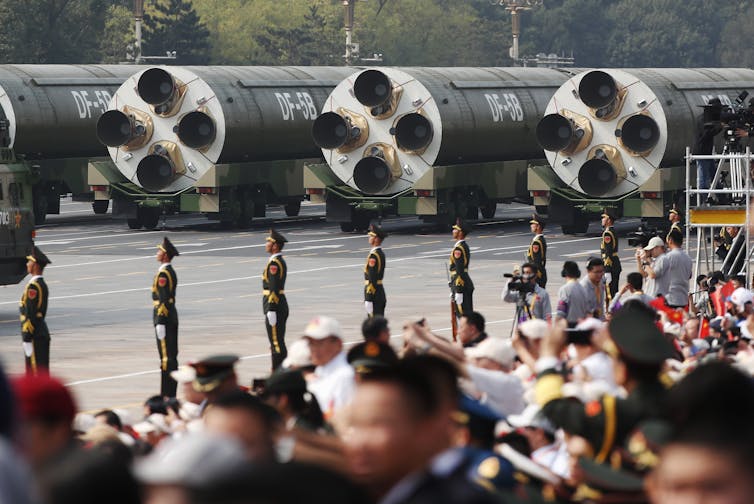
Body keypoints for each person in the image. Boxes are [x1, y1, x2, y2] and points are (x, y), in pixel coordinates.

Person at [535, 306, 675, 464]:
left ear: (623, 372)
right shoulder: (673, 394)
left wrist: (548, 357)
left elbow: (554, 408)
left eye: (613, 360)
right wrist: (611, 348)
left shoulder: (617, 411)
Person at [302, 316, 355, 419]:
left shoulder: (345, 377)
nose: (313, 348)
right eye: (310, 343)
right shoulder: (321, 370)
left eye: (320, 343)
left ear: (338, 344)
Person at [152, 237, 180, 398]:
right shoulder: (167, 271)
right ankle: (169, 393)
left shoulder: (164, 273)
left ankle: (167, 394)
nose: (157, 253)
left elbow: (163, 298)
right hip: (169, 317)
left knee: (166, 358)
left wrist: (160, 321)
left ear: (165, 255)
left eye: (159, 251)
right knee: (169, 356)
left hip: (165, 318)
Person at [20, 246, 52, 375]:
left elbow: (31, 313)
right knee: (40, 371)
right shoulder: (40, 284)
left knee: (35, 372)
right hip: (40, 334)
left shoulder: (33, 286)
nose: (27, 264)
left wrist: (27, 336)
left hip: (35, 335)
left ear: (35, 265)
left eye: (29, 261)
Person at [644, 230, 692, 309]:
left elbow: (655, 273)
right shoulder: (688, 258)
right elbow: (689, 275)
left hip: (670, 298)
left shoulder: (668, 257)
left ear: (670, 240)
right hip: (683, 298)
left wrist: (647, 261)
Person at [263, 229, 288, 370]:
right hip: (277, 306)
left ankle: (279, 371)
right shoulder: (275, 261)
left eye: (268, 242)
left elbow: (274, 287)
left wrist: (271, 308)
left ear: (275, 246)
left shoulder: (275, 264)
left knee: (276, 343)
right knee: (276, 341)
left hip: (276, 307)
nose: (266, 244)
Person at [693, 97, 723, 200]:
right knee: (703, 176)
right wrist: (719, 127)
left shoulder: (707, 118)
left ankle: (720, 194)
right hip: (702, 152)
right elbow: (706, 135)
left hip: (707, 152)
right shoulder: (703, 119)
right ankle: (703, 198)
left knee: (712, 174)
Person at [449, 219, 474, 319]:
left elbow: (459, 270)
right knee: (466, 313)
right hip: (464, 283)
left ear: (460, 233)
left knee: (463, 315)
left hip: (461, 284)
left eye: (455, 229)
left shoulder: (458, 249)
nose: (453, 231)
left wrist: (458, 290)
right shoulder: (463, 246)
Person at [364, 223, 387, 318]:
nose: (369, 238)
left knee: (374, 323)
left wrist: (369, 298)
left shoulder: (374, 255)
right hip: (379, 291)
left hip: (375, 293)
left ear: (376, 239)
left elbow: (372, 277)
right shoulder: (380, 253)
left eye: (371, 236)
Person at [600, 210, 621, 299]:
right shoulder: (612, 231)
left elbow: (608, 251)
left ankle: (613, 311)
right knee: (614, 291)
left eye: (604, 218)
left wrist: (607, 269)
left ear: (608, 220)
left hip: (611, 265)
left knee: (610, 294)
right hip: (615, 264)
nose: (602, 220)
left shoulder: (607, 233)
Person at [526, 214, 547, 288]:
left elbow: (536, 262)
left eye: (533, 224)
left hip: (537, 275)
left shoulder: (537, 242)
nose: (531, 226)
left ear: (538, 227)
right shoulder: (539, 239)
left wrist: (533, 276)